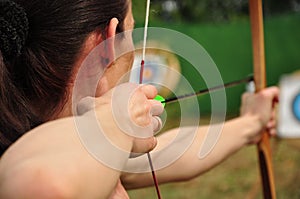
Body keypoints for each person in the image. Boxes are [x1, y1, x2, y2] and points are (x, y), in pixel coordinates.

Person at [0, 0, 279, 198]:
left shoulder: (83, 144)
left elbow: (167, 153)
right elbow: (41, 185)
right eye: (132, 30)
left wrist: (252, 123)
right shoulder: (36, 162)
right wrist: (117, 119)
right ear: (106, 44)